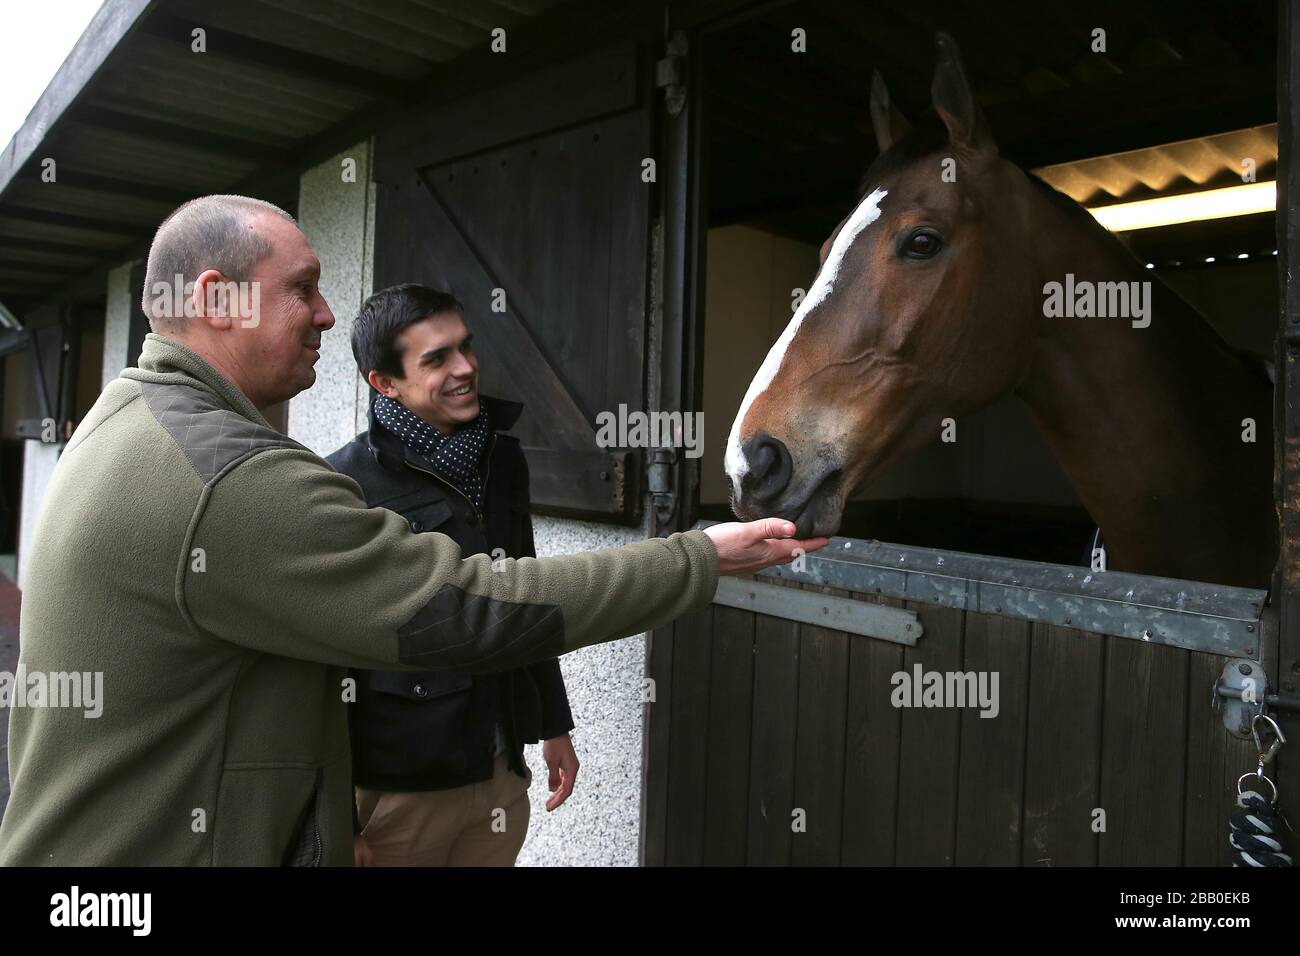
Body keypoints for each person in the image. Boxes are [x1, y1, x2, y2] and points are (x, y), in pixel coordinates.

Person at [0, 195, 825, 866]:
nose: (326, 313)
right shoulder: (232, 476)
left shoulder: (132, 419)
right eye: (303, 288)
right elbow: (463, 606)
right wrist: (698, 558)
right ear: (218, 299)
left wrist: (547, 726)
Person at [328, 284, 577, 866]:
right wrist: (339, 818)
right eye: (436, 358)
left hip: (499, 769)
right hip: (398, 791)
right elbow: (322, 662)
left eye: (466, 347)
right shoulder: (343, 483)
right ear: (383, 382)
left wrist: (553, 725)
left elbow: (525, 592)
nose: (466, 368)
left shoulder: (503, 460)